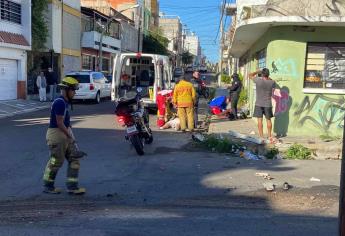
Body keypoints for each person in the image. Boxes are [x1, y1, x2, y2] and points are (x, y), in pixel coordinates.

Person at [42, 77, 87, 195]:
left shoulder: (65, 103)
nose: (75, 92)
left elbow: (66, 123)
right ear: (67, 90)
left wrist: (71, 136)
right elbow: (59, 122)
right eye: (73, 90)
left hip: (64, 135)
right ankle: (48, 186)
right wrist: (69, 135)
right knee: (56, 161)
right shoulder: (60, 102)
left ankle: (72, 187)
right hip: (56, 135)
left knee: (74, 159)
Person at [249, 68, 277, 143]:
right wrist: (268, 77)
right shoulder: (272, 82)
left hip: (259, 103)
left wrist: (257, 71)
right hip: (268, 104)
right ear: (268, 74)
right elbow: (273, 81)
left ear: (262, 74)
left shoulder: (258, 80)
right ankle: (270, 136)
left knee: (259, 120)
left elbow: (250, 75)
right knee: (268, 120)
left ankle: (261, 137)